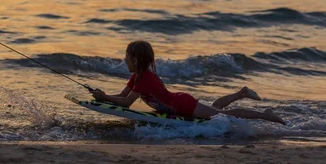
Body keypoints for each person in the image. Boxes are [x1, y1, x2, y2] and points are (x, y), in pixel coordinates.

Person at [91, 40, 286, 124]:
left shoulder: (146, 79)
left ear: (135, 60)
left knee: (225, 116)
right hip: (178, 104)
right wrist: (103, 97)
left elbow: (126, 103)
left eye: (126, 57)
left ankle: (265, 114)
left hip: (183, 104)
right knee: (215, 109)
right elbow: (122, 96)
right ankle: (241, 93)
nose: (124, 60)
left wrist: (104, 97)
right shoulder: (137, 76)